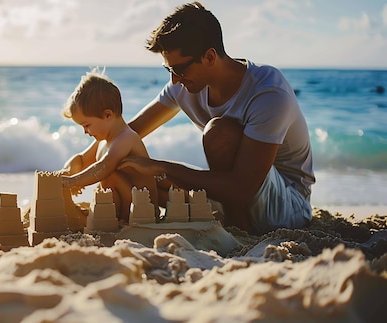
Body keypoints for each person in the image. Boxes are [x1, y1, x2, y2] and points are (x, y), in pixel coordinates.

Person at [115, 2, 315, 235]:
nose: (174, 81)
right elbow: (126, 133)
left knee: (219, 133)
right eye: (168, 70)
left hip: (287, 206)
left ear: (209, 57)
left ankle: (238, 228)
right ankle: (227, 217)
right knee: (134, 170)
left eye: (179, 69)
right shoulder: (184, 85)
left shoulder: (268, 91)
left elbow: (241, 189)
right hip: (236, 192)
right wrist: (77, 169)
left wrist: (160, 167)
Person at [60, 70, 159, 224]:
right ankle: (108, 216)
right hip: (125, 202)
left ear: (108, 115)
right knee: (103, 182)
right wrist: (67, 172)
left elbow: (104, 166)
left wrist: (74, 182)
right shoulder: (104, 140)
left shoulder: (126, 138)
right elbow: (81, 159)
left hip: (142, 210)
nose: (85, 131)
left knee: (108, 175)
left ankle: (115, 219)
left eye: (87, 125)